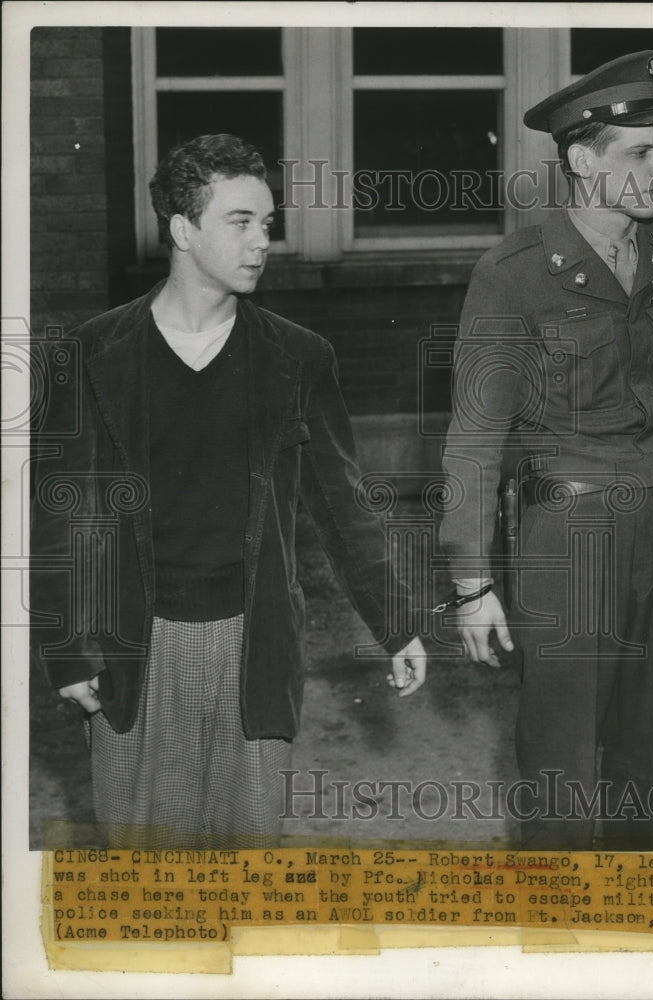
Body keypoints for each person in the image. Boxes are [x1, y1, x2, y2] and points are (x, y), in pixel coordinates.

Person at [31, 133, 427, 849]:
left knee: (245, 869)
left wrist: (394, 619)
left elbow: (342, 508)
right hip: (135, 643)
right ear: (183, 230)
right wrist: (67, 649)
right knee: (149, 868)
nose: (261, 242)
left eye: (267, 224)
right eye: (239, 222)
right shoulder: (93, 353)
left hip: (255, 640)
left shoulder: (298, 358)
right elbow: (60, 515)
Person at [440, 51, 653, 849]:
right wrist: (471, 582)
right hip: (568, 529)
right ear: (583, 162)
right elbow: (474, 434)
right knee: (560, 746)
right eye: (641, 151)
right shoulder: (513, 275)